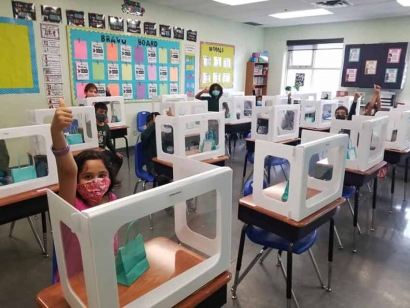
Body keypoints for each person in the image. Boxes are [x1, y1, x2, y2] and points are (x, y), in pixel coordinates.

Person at [50, 99, 118, 280]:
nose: (97, 182)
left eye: (102, 175)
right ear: (78, 181)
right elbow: (68, 171)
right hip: (75, 281)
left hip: (104, 274)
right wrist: (56, 133)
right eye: (88, 177)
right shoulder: (71, 205)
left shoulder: (112, 199)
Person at [94, 102, 123, 184]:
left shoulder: (106, 126)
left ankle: (112, 179)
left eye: (104, 112)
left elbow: (108, 142)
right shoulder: (91, 125)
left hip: (103, 150)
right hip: (93, 151)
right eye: (100, 112)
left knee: (119, 159)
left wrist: (115, 152)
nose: (103, 114)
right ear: (95, 112)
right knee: (105, 162)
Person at [141, 112, 161, 176]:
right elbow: (144, 136)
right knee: (164, 175)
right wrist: (154, 124)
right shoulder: (147, 136)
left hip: (161, 162)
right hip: (152, 166)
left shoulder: (159, 134)